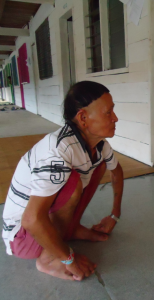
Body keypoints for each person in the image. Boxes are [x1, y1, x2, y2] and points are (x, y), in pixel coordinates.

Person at [2, 81, 124, 281]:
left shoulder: (100, 145)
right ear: (83, 118)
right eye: (108, 113)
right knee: (72, 181)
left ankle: (69, 228)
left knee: (99, 165)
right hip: (23, 238)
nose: (115, 118)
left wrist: (114, 215)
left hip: (39, 225)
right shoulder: (58, 152)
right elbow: (31, 220)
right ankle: (49, 259)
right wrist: (68, 259)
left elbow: (116, 172)